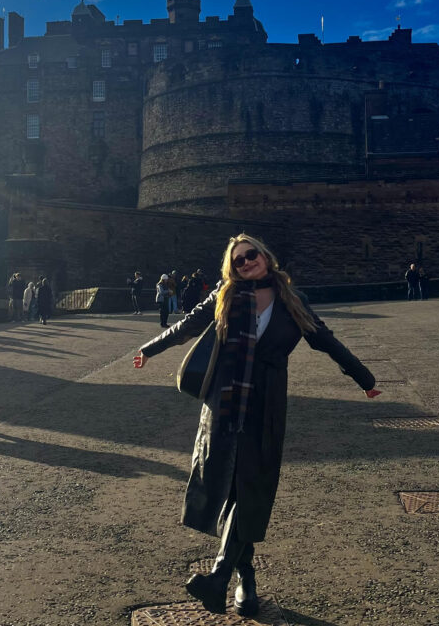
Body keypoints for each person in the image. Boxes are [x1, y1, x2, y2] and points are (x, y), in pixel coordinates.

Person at [133, 234, 380, 616]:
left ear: (265, 257)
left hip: (265, 405)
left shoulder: (293, 301)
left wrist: (365, 379)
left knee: (249, 488)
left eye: (251, 256)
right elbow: (188, 325)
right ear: (231, 268)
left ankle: (221, 576)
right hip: (224, 403)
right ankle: (242, 577)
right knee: (230, 487)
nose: (246, 263)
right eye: (239, 261)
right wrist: (149, 349)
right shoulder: (226, 295)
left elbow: (326, 341)